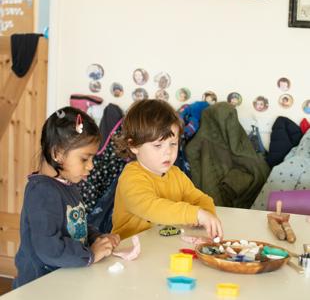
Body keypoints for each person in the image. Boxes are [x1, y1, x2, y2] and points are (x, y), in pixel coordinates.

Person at [14, 107, 120, 288]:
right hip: (39, 288)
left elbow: (76, 226)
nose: (91, 166)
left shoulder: (68, 185)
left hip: (64, 281)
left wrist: (97, 238)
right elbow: (48, 248)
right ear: (57, 154)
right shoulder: (42, 192)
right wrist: (91, 254)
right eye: (84, 159)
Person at [111, 99, 223, 240]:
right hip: (131, 253)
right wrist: (196, 214)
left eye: (173, 143)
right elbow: (152, 207)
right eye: (158, 145)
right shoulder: (131, 178)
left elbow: (199, 199)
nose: (168, 152)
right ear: (133, 145)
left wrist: (207, 214)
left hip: (163, 247)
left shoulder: (176, 174)